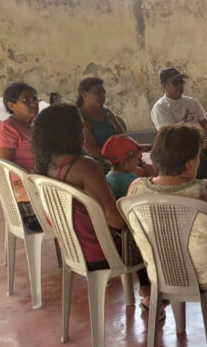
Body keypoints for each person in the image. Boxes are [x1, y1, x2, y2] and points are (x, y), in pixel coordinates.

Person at [127, 123, 207, 322]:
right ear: (189, 163)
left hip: (161, 274)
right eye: (198, 156)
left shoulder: (136, 188)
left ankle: (165, 299)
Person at [32, 104, 153, 311]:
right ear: (69, 133)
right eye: (81, 128)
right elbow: (115, 220)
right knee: (157, 232)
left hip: (73, 248)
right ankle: (155, 296)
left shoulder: (43, 166)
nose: (85, 134)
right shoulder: (85, 167)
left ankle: (147, 289)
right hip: (102, 251)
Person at [150, 68, 207, 198]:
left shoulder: (192, 102)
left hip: (203, 142)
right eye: (175, 82)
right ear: (164, 86)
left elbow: (204, 124)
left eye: (181, 81)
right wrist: (201, 144)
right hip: (180, 148)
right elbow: (173, 137)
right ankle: (200, 199)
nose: (180, 85)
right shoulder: (161, 108)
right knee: (200, 161)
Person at [77, 77, 155, 176]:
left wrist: (137, 148)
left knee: (152, 169)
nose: (102, 95)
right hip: (101, 163)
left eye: (103, 92)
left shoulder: (106, 112)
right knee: (139, 173)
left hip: (121, 159)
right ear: (84, 94)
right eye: (97, 92)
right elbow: (94, 152)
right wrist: (124, 158)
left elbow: (124, 137)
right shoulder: (80, 117)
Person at [0, 82, 40, 227]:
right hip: (25, 190)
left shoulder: (34, 126)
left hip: (38, 180)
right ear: (11, 105)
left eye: (35, 99)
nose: (33, 104)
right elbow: (4, 167)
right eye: (26, 100)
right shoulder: (6, 129)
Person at [102, 134, 143, 200]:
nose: (137, 163)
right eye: (136, 160)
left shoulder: (107, 178)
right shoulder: (132, 181)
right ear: (124, 164)